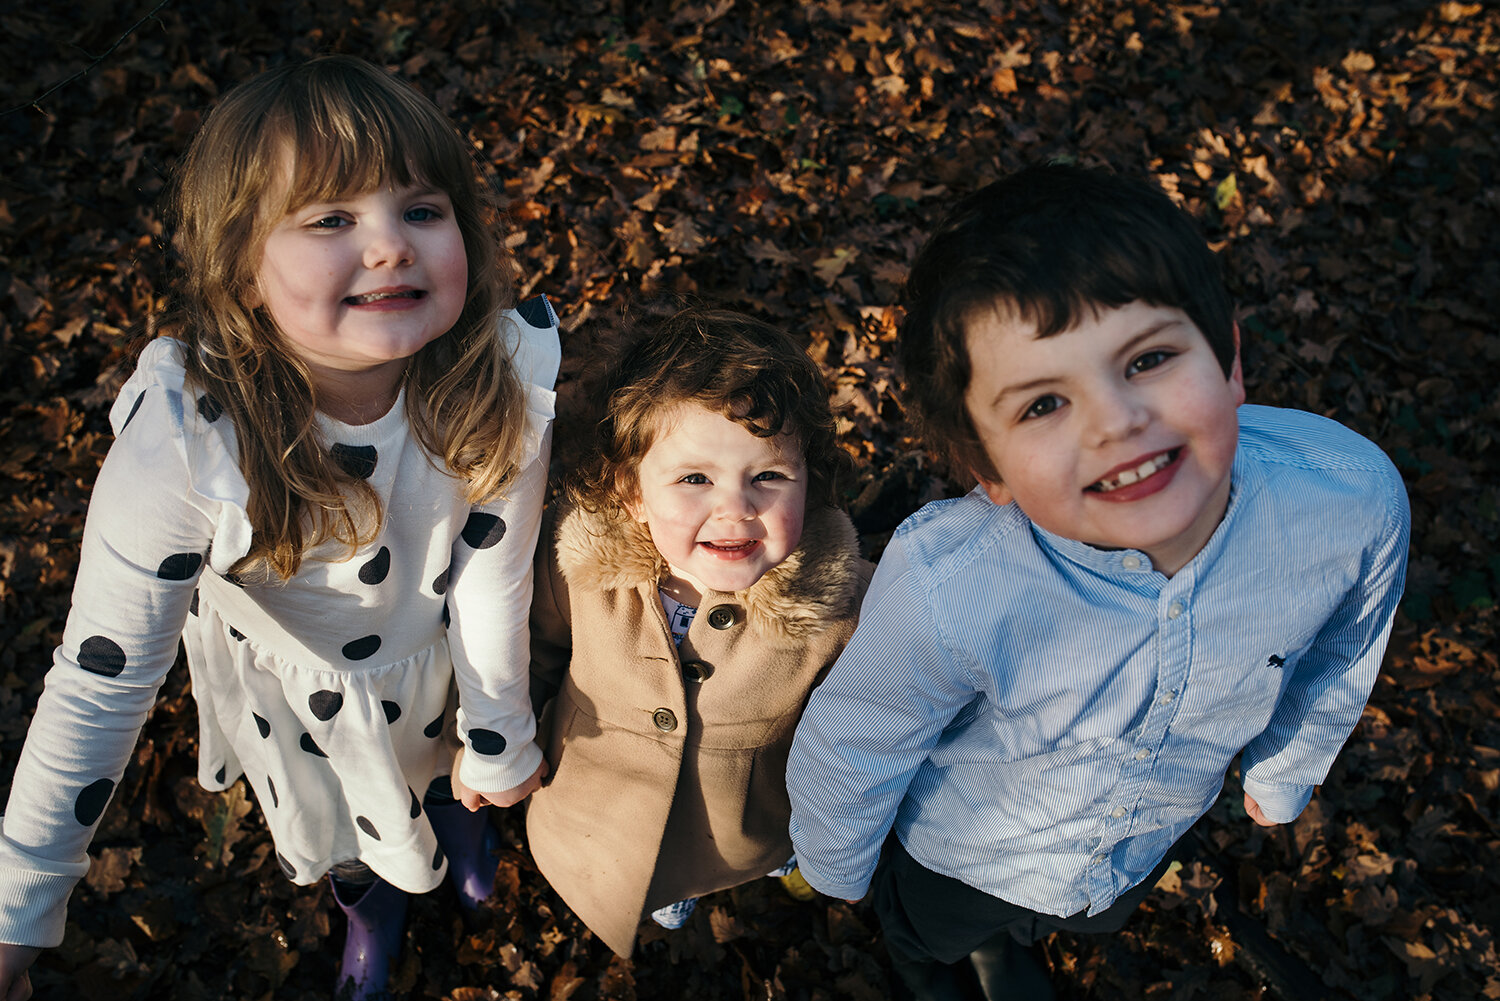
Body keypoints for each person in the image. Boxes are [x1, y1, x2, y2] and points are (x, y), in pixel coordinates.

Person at [0, 56, 559, 1001]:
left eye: (422, 209)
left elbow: (490, 573)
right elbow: (100, 685)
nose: (390, 247)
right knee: (346, 828)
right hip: (307, 704)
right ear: (242, 269)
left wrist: (498, 732)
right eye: (332, 220)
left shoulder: (499, 371)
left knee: (449, 774)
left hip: (444, 660)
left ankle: (463, 819)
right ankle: (368, 905)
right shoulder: (187, 441)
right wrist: (16, 908)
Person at [787, 163, 1410, 1000]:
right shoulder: (951, 583)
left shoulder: (1349, 499)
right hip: (962, 847)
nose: (1116, 421)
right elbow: (859, 733)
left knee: (1078, 915)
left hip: (1141, 841)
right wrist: (837, 862)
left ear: (1229, 357)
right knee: (932, 936)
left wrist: (1284, 768)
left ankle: (1015, 944)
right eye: (1043, 404)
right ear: (986, 469)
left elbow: (1345, 646)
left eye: (1148, 358)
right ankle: (944, 962)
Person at [510, 307, 872, 956]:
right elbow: (534, 649)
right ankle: (661, 884)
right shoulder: (581, 565)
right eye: (695, 478)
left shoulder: (840, 608)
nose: (735, 507)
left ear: (809, 483)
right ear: (632, 493)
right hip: (601, 811)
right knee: (644, 870)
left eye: (767, 476)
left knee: (738, 854)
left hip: (747, 821)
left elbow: (857, 736)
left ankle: (755, 865)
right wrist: (511, 735)